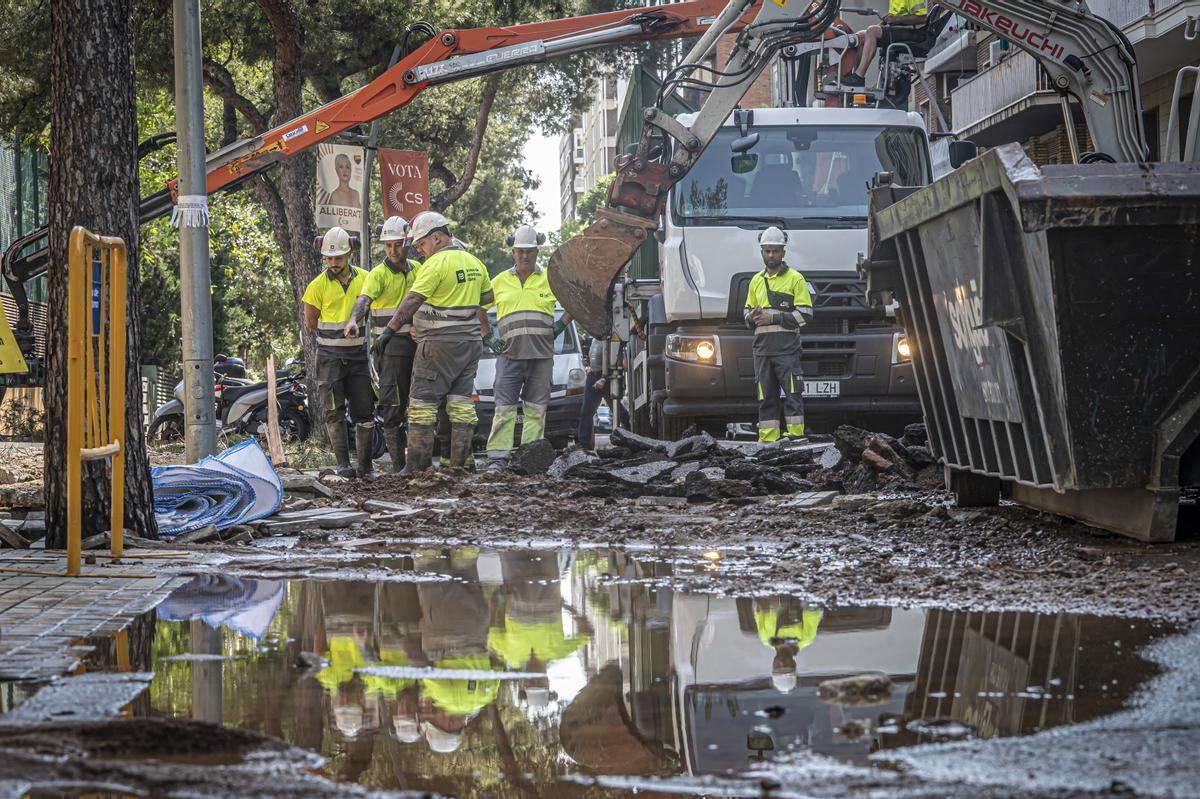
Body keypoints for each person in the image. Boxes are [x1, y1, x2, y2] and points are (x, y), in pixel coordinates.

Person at [375, 211, 493, 472]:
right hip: (470, 344)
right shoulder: (475, 262)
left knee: (421, 403)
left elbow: (413, 300)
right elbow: (487, 297)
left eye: (421, 244)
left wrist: (390, 330)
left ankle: (417, 468)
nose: (419, 250)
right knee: (461, 403)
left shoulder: (435, 264)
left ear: (437, 238)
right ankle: (458, 466)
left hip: (438, 345)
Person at [482, 225, 571, 470]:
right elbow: (478, 305)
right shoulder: (499, 281)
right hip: (510, 355)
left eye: (529, 252)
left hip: (541, 356)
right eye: (520, 251)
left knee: (535, 410)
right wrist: (487, 336)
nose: (524, 256)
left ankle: (529, 459)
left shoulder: (550, 279)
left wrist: (560, 326)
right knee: (504, 409)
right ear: (513, 252)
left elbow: (574, 301)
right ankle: (498, 460)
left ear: (537, 252)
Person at [344, 216, 420, 473]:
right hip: (391, 350)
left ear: (407, 243)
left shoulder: (419, 271)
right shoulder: (378, 275)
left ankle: (419, 464)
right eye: (388, 246)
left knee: (423, 405)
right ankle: (400, 466)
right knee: (392, 405)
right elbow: (363, 300)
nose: (392, 251)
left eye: (397, 244)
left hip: (419, 347)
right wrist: (354, 319)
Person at [301, 226, 375, 477]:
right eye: (329, 258)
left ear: (350, 253)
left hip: (358, 357)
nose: (333, 262)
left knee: (364, 410)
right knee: (334, 411)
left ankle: (366, 467)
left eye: (338, 257)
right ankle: (343, 465)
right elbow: (311, 322)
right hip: (329, 358)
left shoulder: (366, 278)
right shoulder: (316, 286)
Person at [744, 226, 813, 443]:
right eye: (767, 251)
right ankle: (768, 439)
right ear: (762, 252)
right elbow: (746, 312)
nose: (771, 255)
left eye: (775, 251)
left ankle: (796, 437)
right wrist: (751, 317)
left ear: (783, 252)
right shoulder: (756, 280)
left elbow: (806, 314)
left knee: (793, 393)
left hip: (786, 349)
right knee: (765, 396)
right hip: (762, 350)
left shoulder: (795, 279)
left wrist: (772, 318)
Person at [841, 0, 929, 87]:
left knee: (872, 31)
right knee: (860, 37)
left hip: (915, 33)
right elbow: (896, 17)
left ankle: (859, 77)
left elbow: (922, 18)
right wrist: (887, 21)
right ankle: (854, 78)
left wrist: (895, 19)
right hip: (902, 29)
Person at [753, 597, 821, 693]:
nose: (781, 663)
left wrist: (761, 603)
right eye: (786, 666)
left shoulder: (765, 638)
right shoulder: (806, 638)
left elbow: (756, 609)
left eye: (777, 667)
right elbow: (812, 607)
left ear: (773, 666)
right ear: (794, 664)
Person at [576, 336, 608, 449]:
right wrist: (588, 362)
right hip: (592, 377)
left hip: (605, 378)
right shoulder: (594, 340)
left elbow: (613, 360)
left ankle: (629, 433)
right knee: (586, 412)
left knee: (617, 408)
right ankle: (583, 444)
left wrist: (604, 378)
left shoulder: (608, 339)